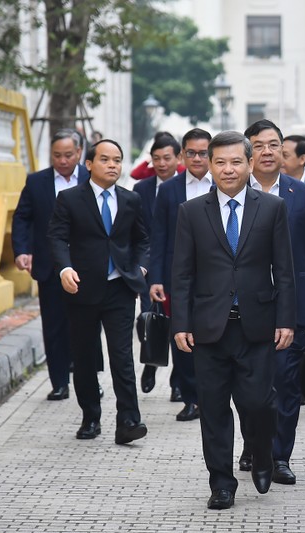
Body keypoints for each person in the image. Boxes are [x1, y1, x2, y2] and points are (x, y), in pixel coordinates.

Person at [171, 131, 296, 510]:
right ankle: (221, 483)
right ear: (210, 165)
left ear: (250, 163)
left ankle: (261, 452)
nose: (228, 169)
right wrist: (181, 323)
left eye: (236, 161)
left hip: (257, 325)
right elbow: (182, 274)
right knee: (213, 409)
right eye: (220, 162)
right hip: (209, 328)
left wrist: (287, 320)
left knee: (258, 403)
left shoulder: (272, 208)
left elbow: (285, 270)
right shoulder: (191, 212)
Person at [48, 139, 149, 444]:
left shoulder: (130, 200)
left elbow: (143, 241)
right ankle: (91, 417)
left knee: (122, 357)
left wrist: (140, 268)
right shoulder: (69, 199)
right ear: (89, 164)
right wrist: (65, 269)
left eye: (117, 160)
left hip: (119, 289)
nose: (112, 165)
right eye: (105, 160)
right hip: (81, 289)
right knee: (85, 357)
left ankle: (128, 420)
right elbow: (56, 238)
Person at [239, 119, 305, 487]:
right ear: (248, 152)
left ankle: (279, 456)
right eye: (259, 145)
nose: (268, 151)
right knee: (249, 384)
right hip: (245, 306)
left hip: (293, 305)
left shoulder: (302, 194)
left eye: (274, 144)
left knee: (287, 384)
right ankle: (253, 444)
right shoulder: (234, 191)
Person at [12, 129, 102, 401]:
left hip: (86, 266)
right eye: (56, 155)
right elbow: (23, 217)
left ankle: (90, 380)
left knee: (88, 326)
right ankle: (59, 382)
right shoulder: (37, 182)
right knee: (54, 325)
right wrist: (23, 250)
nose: (62, 161)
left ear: (79, 153)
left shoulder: (91, 179)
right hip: (49, 265)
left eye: (68, 155)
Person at [146, 128, 213, 422]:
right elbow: (158, 238)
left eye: (203, 152)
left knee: (212, 338)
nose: (197, 158)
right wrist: (156, 279)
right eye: (192, 153)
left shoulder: (223, 184)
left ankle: (213, 397)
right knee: (182, 338)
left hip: (216, 277)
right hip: (178, 278)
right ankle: (191, 399)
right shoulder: (170, 190)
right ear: (182, 155)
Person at [134, 132, 184, 402]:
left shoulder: (185, 186)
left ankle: (178, 382)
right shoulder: (142, 189)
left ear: (178, 158)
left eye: (167, 158)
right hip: (148, 267)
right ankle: (151, 362)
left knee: (179, 324)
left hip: (177, 266)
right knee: (150, 320)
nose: (162, 164)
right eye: (156, 159)